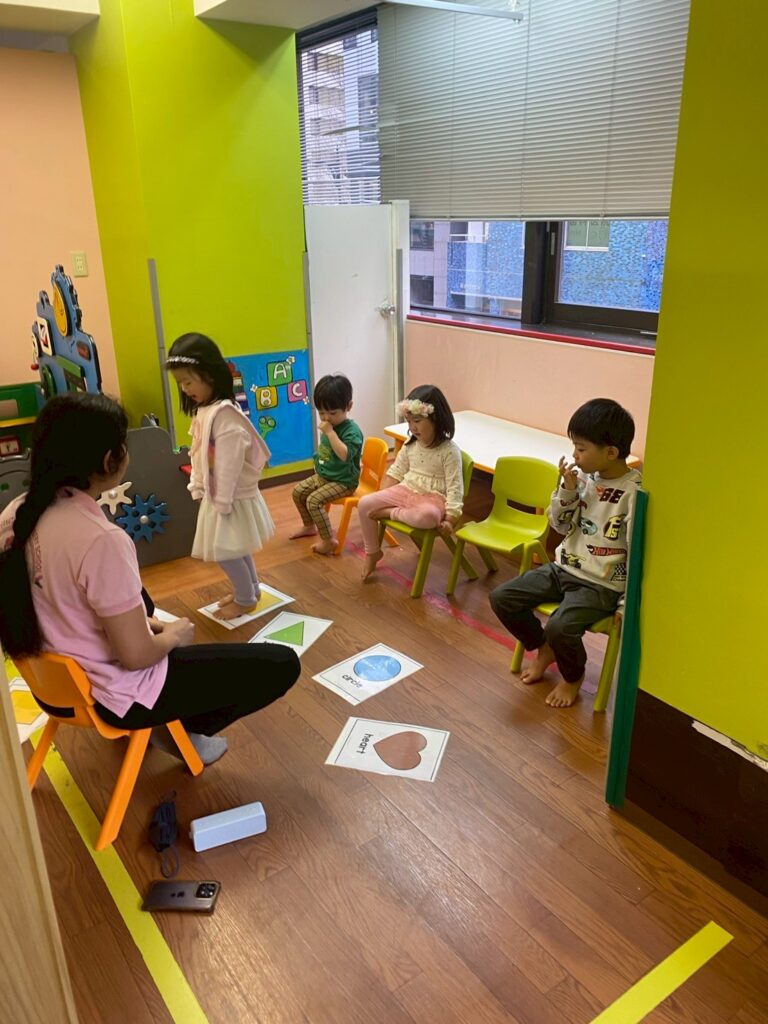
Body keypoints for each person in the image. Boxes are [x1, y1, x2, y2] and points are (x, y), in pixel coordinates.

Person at [0, 393, 299, 765]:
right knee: (282, 663)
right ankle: (179, 731)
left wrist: (144, 625)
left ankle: (170, 716)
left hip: (51, 686)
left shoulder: (16, 511)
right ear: (109, 460)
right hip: (113, 696)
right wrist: (174, 636)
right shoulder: (100, 540)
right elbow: (137, 656)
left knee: (143, 602)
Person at [490, 398, 640, 708]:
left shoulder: (634, 493)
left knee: (560, 626)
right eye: (574, 446)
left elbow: (638, 553)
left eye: (581, 448)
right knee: (502, 597)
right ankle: (544, 647)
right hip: (564, 568)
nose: (574, 455)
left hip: (600, 584)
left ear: (611, 452)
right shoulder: (582, 478)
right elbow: (558, 525)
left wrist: (625, 604)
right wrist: (568, 490)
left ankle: (573, 677)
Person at [166, 333, 274, 621]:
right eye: (180, 383)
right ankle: (250, 590)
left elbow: (227, 463)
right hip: (219, 496)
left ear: (210, 375)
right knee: (235, 547)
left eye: (189, 381)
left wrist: (220, 502)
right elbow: (199, 452)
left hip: (227, 498)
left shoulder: (224, 414)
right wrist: (197, 485)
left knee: (226, 552)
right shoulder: (207, 410)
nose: (185, 388)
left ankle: (245, 599)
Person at [357, 384, 463, 581]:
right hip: (405, 490)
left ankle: (391, 513)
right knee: (364, 504)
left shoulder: (449, 451)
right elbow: (395, 472)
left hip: (432, 499)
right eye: (409, 421)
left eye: (417, 421)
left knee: (429, 518)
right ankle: (372, 552)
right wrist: (380, 497)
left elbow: (455, 489)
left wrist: (450, 520)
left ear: (436, 419)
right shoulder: (410, 445)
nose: (412, 427)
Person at [290, 374, 363, 556]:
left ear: (349, 406)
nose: (326, 418)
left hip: (344, 481)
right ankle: (309, 526)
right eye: (321, 413)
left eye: (332, 413)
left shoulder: (351, 431)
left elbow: (345, 455)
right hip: (326, 476)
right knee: (298, 492)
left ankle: (328, 540)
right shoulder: (331, 425)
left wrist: (330, 433)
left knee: (313, 501)